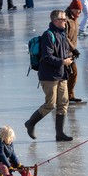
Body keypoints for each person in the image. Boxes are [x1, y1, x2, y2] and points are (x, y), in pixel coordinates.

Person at [24, 10, 74, 142]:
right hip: (49, 76)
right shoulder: (48, 35)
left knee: (63, 103)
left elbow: (62, 52)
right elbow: (46, 57)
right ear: (55, 21)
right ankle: (30, 123)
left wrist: (69, 56)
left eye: (65, 18)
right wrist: (63, 62)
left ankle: (60, 134)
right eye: (63, 19)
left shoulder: (62, 34)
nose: (65, 21)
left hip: (61, 74)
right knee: (50, 104)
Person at [65, 0, 83, 103]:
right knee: (66, 75)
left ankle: (69, 95)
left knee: (73, 73)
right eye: (78, 10)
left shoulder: (75, 19)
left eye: (80, 10)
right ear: (72, 9)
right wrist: (73, 49)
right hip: (64, 52)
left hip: (71, 52)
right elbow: (65, 37)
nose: (79, 13)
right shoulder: (66, 19)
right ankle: (61, 97)